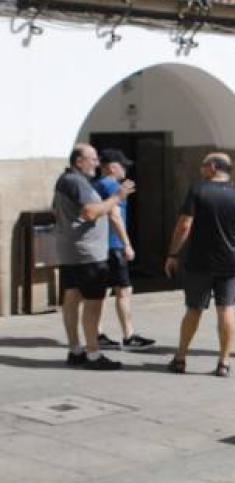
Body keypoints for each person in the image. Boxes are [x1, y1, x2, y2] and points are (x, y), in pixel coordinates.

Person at [164, 153, 235, 377]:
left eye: (203, 165)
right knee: (226, 310)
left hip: (199, 262)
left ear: (213, 167)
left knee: (193, 310)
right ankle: (224, 362)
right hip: (229, 263)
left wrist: (173, 253)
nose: (201, 169)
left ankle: (180, 358)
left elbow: (184, 225)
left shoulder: (198, 190)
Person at [53, 144, 133, 370]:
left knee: (71, 299)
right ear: (79, 161)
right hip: (87, 254)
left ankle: (75, 350)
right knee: (93, 303)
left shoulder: (65, 180)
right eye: (93, 159)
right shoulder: (77, 182)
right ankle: (93, 354)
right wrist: (117, 197)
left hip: (71, 251)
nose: (98, 164)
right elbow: (90, 212)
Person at [91, 148, 155, 350]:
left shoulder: (97, 184)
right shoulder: (111, 186)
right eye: (122, 165)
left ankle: (96, 334)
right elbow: (114, 215)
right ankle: (128, 336)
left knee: (103, 291)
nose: (125, 168)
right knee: (124, 290)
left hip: (102, 245)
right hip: (113, 245)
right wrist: (126, 243)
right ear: (111, 167)